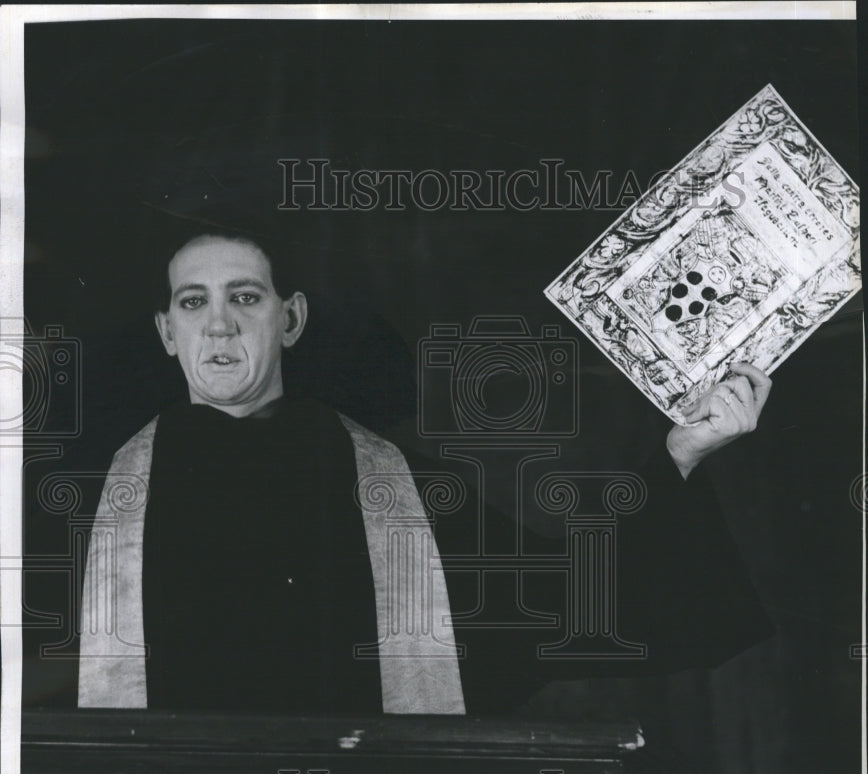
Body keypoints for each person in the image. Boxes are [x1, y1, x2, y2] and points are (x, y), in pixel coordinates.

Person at [77, 221, 774, 716]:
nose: (219, 324)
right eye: (193, 301)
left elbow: (568, 604)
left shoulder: (395, 483)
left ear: (291, 319)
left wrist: (681, 455)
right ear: (167, 331)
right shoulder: (89, 500)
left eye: (245, 296)